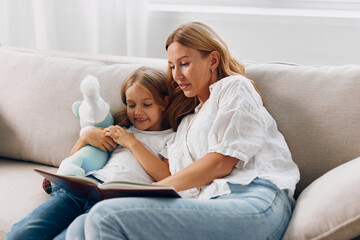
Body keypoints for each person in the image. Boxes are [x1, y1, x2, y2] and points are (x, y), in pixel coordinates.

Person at [66, 21, 300, 240]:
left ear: (213, 60)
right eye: (172, 66)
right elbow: (171, 175)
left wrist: (148, 192)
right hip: (206, 203)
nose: (177, 75)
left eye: (185, 64)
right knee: (80, 225)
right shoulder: (187, 123)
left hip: (254, 198)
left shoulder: (234, 88)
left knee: (105, 216)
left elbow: (222, 162)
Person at [6, 66, 175, 240]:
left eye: (146, 104)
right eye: (131, 105)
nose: (137, 112)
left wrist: (132, 143)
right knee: (19, 234)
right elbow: (74, 161)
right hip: (82, 190)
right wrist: (84, 138)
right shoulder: (120, 129)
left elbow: (166, 175)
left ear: (164, 102)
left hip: (112, 202)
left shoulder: (170, 138)